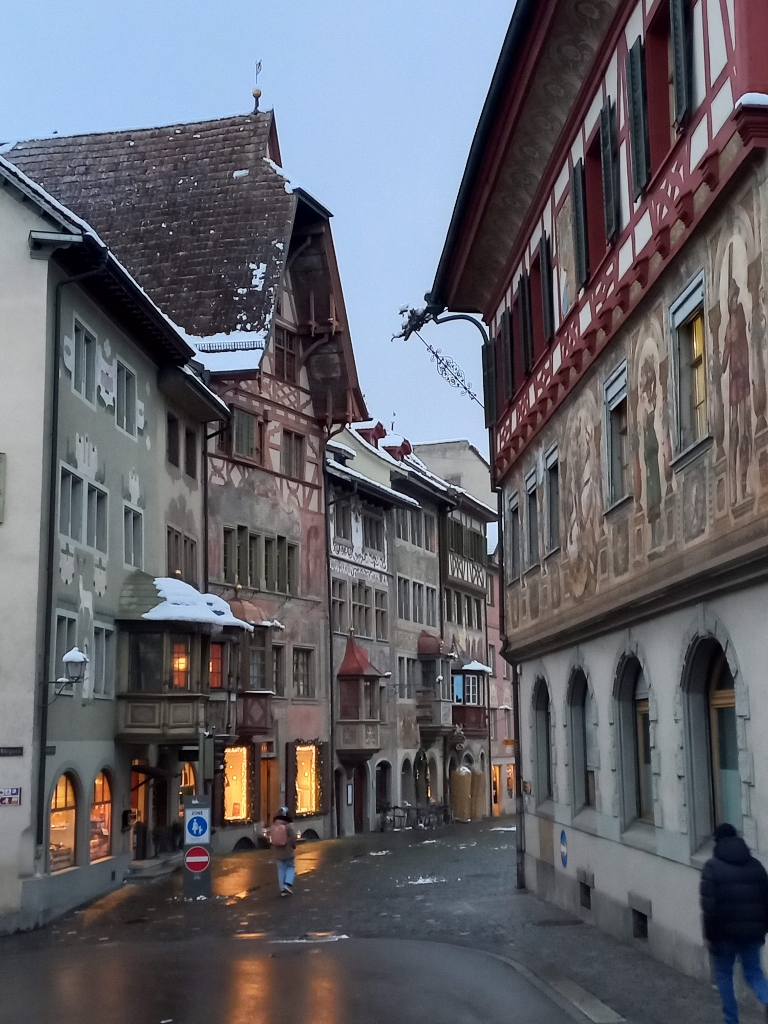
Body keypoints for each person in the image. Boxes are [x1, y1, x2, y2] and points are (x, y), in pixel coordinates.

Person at [700, 822, 768, 1023]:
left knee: (724, 975)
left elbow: (709, 908)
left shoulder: (712, 867)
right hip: (752, 934)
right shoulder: (756, 866)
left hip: (723, 936)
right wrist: (762, 930)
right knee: (754, 973)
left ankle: (731, 1020)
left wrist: (710, 937)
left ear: (717, 842)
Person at [269, 807, 297, 896]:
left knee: (281, 869)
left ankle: (282, 890)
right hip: (288, 849)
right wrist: (294, 845)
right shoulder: (288, 825)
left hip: (278, 850)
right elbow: (293, 837)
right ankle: (287, 883)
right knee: (291, 866)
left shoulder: (274, 825)